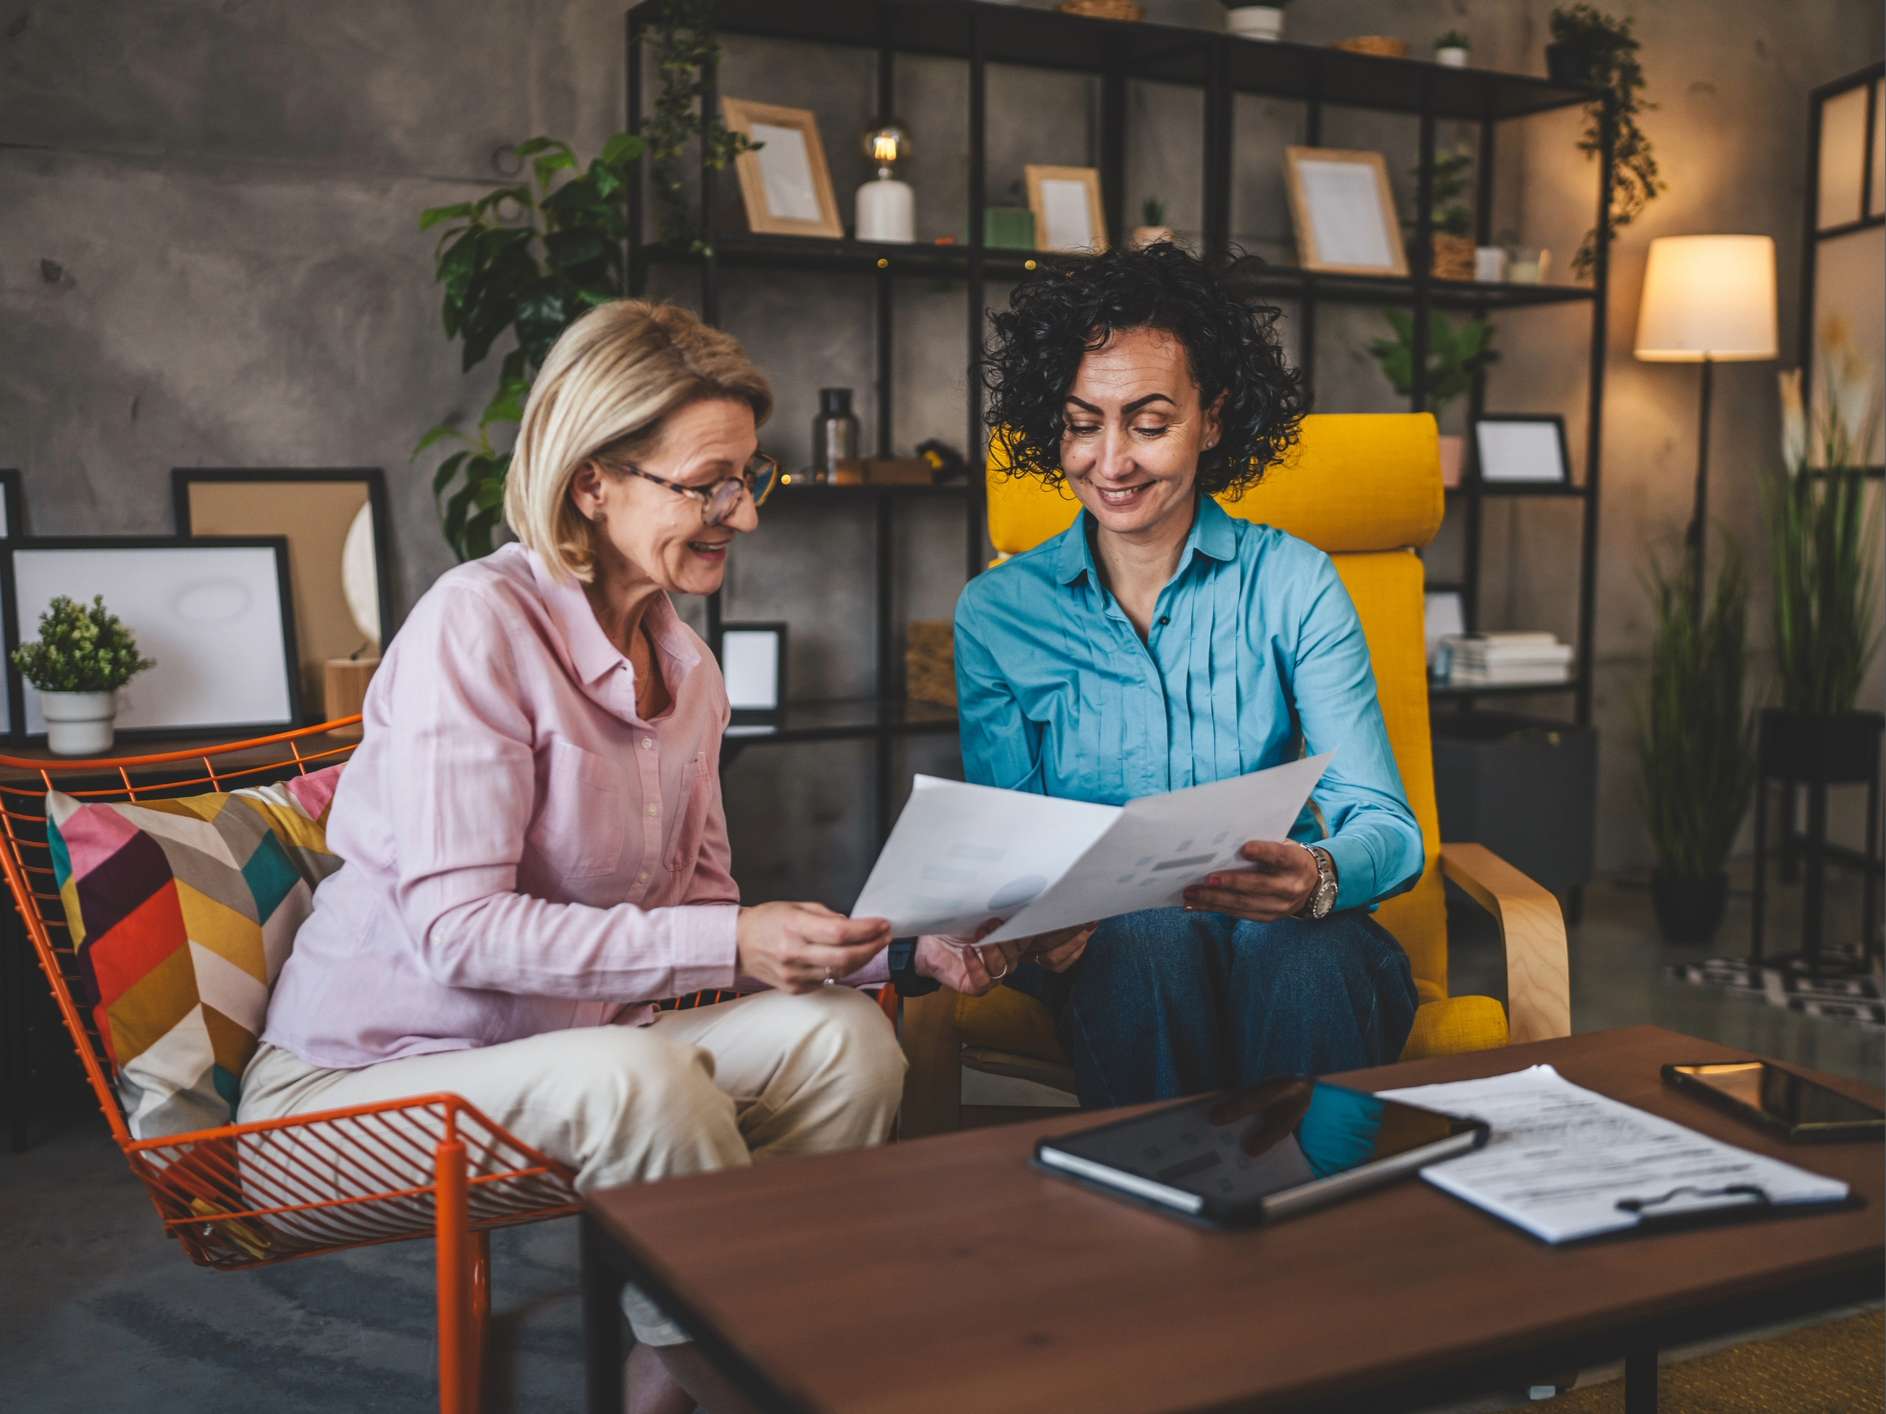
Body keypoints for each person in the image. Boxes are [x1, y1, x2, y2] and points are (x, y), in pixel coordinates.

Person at [241, 299, 1014, 1414]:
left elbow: (703, 931)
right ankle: (759, 1377)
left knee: (840, 1040)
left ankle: (673, 1361)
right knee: (635, 1076)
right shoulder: (477, 625)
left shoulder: (688, 671)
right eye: (706, 483)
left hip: (567, 1062)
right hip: (349, 1098)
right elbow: (460, 934)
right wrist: (728, 933)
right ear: (592, 480)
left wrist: (888, 953)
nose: (738, 516)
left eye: (749, 479)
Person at [955, 242, 1424, 1109]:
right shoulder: (997, 614)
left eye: (1149, 421)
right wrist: (1037, 914)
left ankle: (1318, 1223)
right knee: (1148, 942)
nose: (1111, 462)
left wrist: (1317, 876)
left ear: (1213, 419)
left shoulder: (1295, 582)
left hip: (1283, 941)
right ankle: (1172, 1223)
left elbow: (1388, 829)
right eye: (1082, 423)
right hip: (1119, 954)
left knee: (1311, 952)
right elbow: (1012, 848)